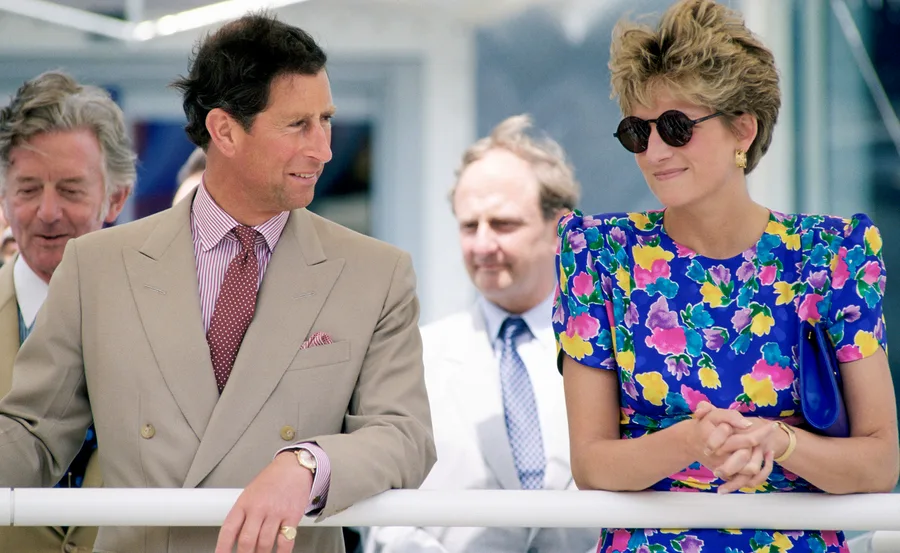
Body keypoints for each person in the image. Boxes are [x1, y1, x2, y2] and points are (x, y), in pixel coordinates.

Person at [0, 13, 435, 553]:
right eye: (298, 125)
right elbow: (33, 436)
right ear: (224, 130)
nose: (323, 148)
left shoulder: (377, 273)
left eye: (326, 119)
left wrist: (307, 465)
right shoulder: (95, 267)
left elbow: (405, 436)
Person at [554, 1, 899, 552]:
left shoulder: (832, 254)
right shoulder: (598, 254)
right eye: (636, 132)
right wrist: (694, 440)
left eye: (675, 127)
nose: (655, 152)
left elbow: (879, 462)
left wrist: (778, 442)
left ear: (743, 129)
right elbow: (593, 463)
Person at [365, 115, 599, 553]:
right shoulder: (412, 357)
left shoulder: (613, 354)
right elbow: (383, 514)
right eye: (469, 226)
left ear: (560, 229)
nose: (482, 245)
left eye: (504, 224)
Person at [0, 70, 134, 553]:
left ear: (116, 197)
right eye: (29, 189)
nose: (48, 212)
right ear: (3, 199)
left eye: (71, 189)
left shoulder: (173, 322)